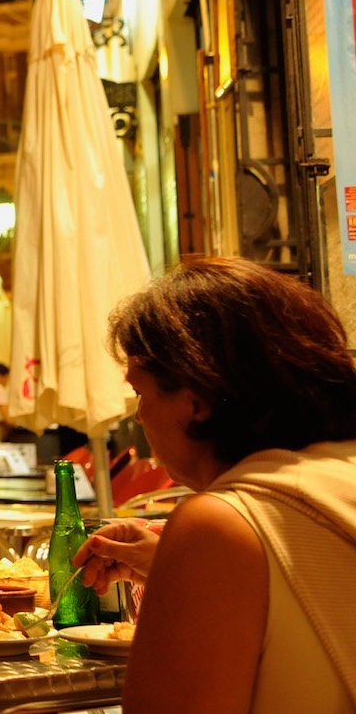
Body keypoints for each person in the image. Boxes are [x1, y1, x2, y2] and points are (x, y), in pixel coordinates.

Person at [72, 257, 356, 711]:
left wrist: (199, 557)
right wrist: (171, 565)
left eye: (141, 392)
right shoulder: (339, 475)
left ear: (196, 401)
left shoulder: (219, 525)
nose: (138, 414)